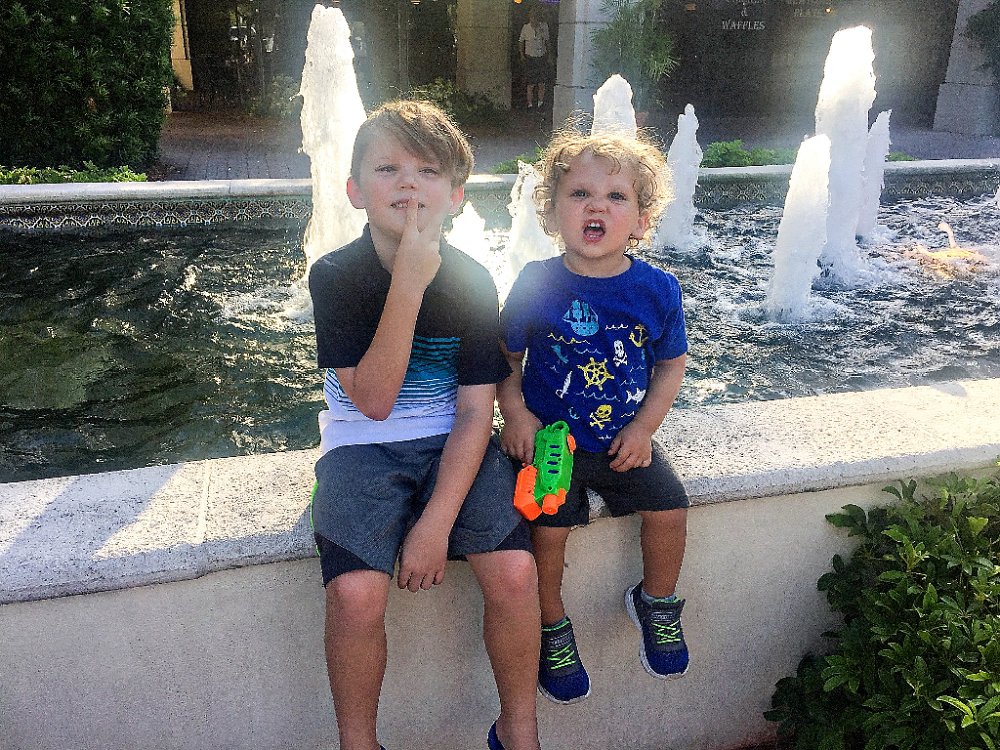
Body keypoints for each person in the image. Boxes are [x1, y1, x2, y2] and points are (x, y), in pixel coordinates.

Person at [308, 99, 542, 750]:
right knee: (355, 595)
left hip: (454, 444)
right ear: (355, 191)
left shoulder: (471, 280)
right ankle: (359, 742)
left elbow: (474, 411)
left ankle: (518, 730)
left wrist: (435, 527)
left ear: (457, 196)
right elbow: (374, 403)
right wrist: (409, 283)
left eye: (428, 170)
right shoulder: (335, 277)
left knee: (515, 574)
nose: (408, 183)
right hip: (361, 447)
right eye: (388, 168)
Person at [497, 129, 690, 705]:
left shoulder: (656, 289)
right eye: (579, 193)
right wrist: (516, 413)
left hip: (623, 442)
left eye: (616, 196)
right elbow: (505, 357)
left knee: (670, 508)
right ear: (553, 212)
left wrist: (644, 429)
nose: (596, 206)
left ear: (641, 219)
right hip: (552, 444)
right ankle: (551, 626)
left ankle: (656, 600)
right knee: (546, 531)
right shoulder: (537, 282)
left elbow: (671, 365)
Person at [518, 6, 550, 110]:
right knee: (530, 83)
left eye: (536, 17)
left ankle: (541, 103)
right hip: (530, 58)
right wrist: (522, 55)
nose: (534, 19)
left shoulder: (544, 27)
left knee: (542, 82)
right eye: (532, 17)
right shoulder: (526, 28)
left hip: (541, 57)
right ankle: (530, 104)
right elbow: (521, 41)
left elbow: (547, 41)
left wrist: (549, 55)